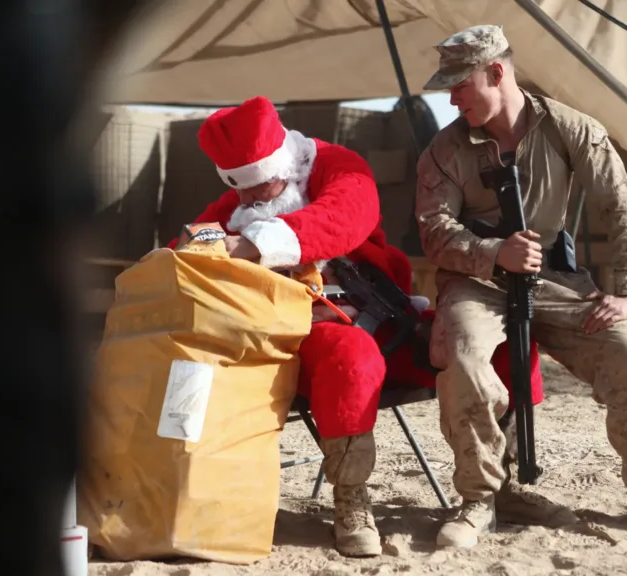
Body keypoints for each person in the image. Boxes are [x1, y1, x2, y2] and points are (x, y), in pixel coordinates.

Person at [169, 95, 553, 557]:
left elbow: (346, 216)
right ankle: (351, 499)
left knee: (503, 343)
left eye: (259, 185)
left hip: (390, 319)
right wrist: (210, 247)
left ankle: (503, 482)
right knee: (351, 358)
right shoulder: (237, 203)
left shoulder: (335, 166)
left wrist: (254, 244)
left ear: (282, 165)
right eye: (241, 189)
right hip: (306, 333)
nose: (248, 199)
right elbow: (181, 251)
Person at [415, 25, 627, 549]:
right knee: (462, 356)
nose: (452, 99)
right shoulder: (444, 149)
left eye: (460, 86)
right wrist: (492, 252)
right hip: (476, 282)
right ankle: (480, 499)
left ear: (496, 72)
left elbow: (620, 207)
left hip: (551, 279)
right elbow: (434, 230)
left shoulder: (571, 128)